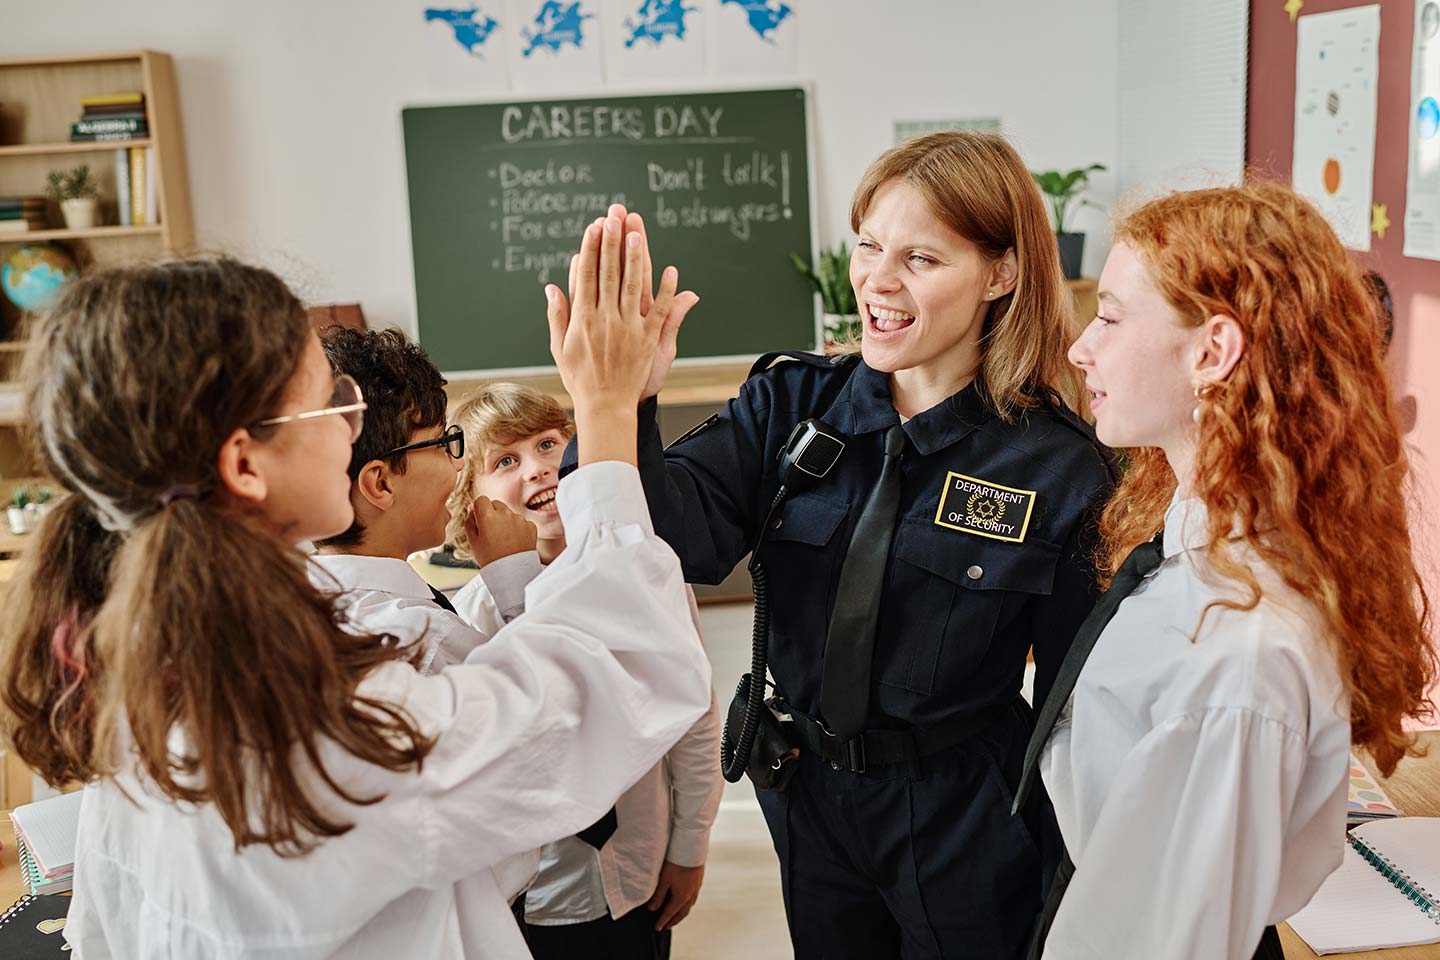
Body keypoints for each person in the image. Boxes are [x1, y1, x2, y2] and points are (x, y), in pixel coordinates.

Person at [0, 227, 711, 959]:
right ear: (246, 465)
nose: (352, 424)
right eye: (331, 400)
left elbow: (103, 930)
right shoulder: (322, 732)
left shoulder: (147, 675)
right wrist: (606, 409)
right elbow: (615, 673)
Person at [550, 132, 1117, 958]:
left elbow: (1083, 711)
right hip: (811, 799)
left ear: (1000, 274)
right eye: (868, 246)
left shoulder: (1059, 465)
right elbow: (666, 542)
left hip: (966, 813)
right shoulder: (790, 404)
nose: (878, 282)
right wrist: (620, 404)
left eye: (921, 258)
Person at [1027, 182, 1437, 959]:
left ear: (1212, 352)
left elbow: (1168, 937)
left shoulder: (1241, 651)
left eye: (1110, 317)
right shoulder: (1189, 533)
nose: (1081, 347)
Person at [446, 380, 723, 959]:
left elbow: (694, 723)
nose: (538, 470)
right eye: (505, 460)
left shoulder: (640, 574)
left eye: (550, 445)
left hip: (639, 875)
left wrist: (689, 847)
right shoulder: (466, 617)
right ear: (470, 498)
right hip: (533, 895)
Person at [309, 326, 506, 673]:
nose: (458, 462)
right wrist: (513, 573)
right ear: (381, 483)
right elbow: (558, 710)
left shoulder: (302, 607)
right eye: (442, 444)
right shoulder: (424, 639)